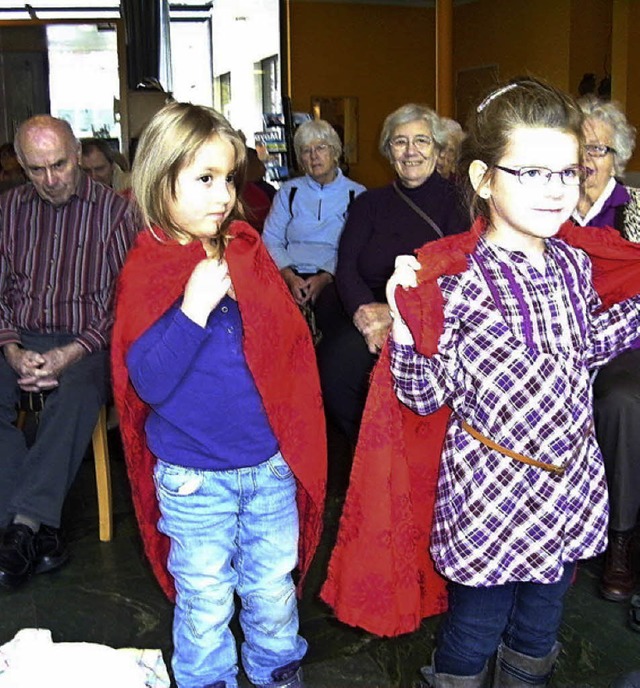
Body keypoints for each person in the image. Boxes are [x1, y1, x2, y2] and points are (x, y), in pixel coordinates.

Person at [320, 78, 640, 686]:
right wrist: (410, 331)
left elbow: (585, 348)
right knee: (474, 629)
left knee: (542, 625)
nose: (555, 190)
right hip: (491, 497)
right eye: (532, 172)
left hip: (564, 487)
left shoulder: (574, 265)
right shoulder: (455, 281)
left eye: (567, 172)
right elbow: (422, 394)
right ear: (482, 178)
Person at [110, 102, 327, 688]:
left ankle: (276, 672)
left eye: (229, 178)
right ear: (161, 181)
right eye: (204, 179)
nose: (223, 194)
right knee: (204, 601)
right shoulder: (150, 267)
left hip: (267, 465)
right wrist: (192, 309)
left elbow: (284, 351)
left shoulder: (245, 249)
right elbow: (147, 383)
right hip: (194, 477)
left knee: (273, 589)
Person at [0, 115, 138, 588]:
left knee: (75, 396)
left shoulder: (116, 213)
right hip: (19, 340)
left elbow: (125, 302)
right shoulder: (8, 210)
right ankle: (31, 528)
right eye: (36, 170)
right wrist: (13, 349)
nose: (51, 179)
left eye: (58, 164)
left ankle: (21, 528)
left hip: (87, 345)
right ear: (22, 166)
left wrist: (69, 353)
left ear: (77, 155)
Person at [316, 103, 469, 444]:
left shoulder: (460, 203)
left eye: (422, 141)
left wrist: (397, 314)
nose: (411, 151)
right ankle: (369, 455)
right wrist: (364, 315)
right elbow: (347, 266)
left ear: (438, 148)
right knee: (337, 368)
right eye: (400, 142)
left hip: (430, 313)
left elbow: (460, 270)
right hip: (367, 309)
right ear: (388, 150)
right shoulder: (369, 204)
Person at [570, 96, 640, 603]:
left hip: (627, 341)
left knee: (620, 402)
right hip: (557, 338)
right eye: (579, 148)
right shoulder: (547, 203)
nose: (587, 160)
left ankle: (620, 538)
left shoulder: (633, 212)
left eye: (600, 149)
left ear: (619, 157)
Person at [262, 119, 365, 339]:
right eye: (306, 151)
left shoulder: (357, 194)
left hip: (334, 274)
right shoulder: (288, 192)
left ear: (335, 152)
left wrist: (326, 277)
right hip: (289, 271)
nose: (314, 156)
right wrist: (289, 276)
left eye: (320, 148)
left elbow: (358, 248)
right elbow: (271, 238)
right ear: (300, 159)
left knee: (334, 320)